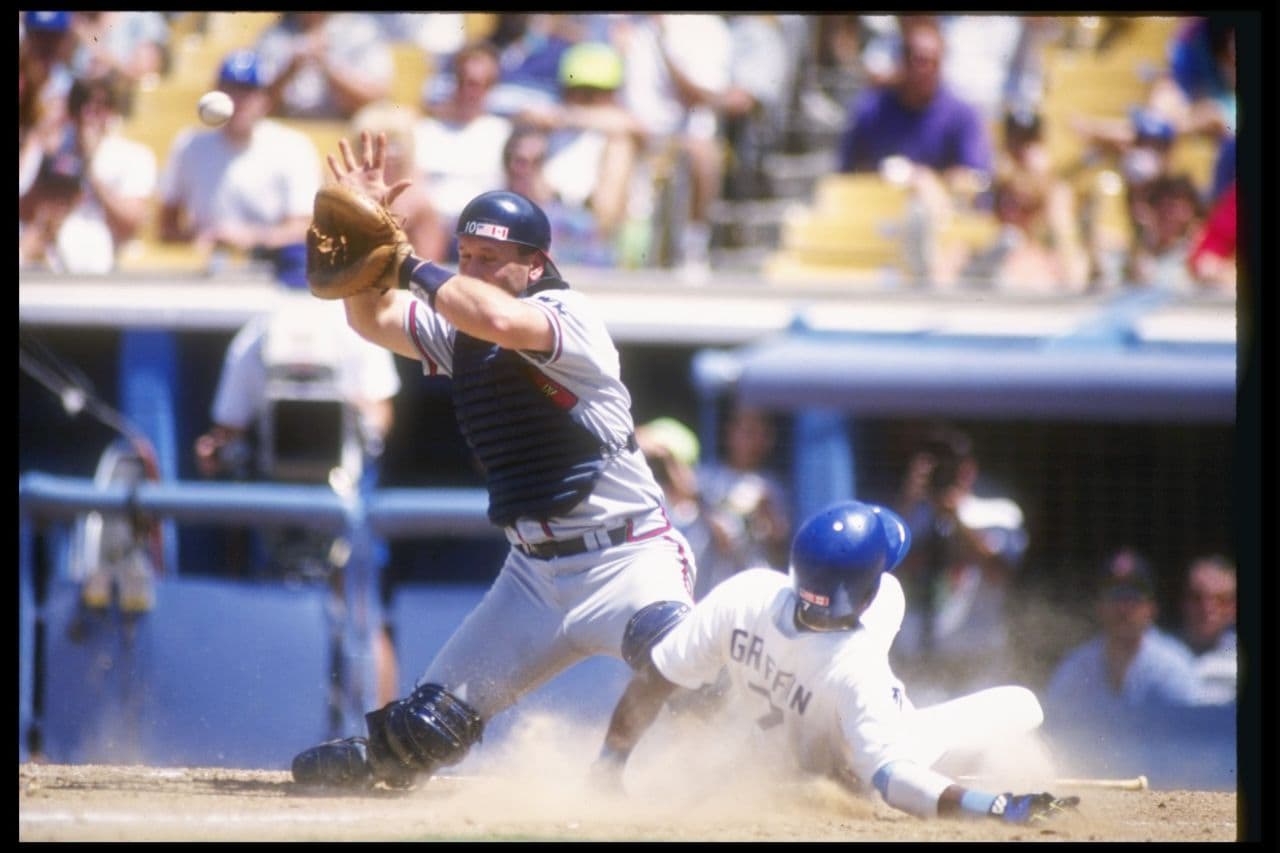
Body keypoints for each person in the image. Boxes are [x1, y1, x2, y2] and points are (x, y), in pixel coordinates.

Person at [288, 131, 698, 789]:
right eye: (466, 254)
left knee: (689, 669)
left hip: (628, 557)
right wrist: (362, 252)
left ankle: (799, 758)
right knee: (420, 736)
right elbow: (376, 318)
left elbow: (499, 322)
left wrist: (409, 264)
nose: (472, 267)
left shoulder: (567, 312)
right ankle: (385, 761)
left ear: (533, 264)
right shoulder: (459, 324)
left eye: (489, 257)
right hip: (533, 576)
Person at [591, 500, 1079, 825]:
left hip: (762, 757)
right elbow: (893, 780)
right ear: (862, 595)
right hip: (849, 772)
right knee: (1023, 705)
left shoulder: (744, 594)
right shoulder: (859, 655)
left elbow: (655, 680)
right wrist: (992, 805)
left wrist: (608, 765)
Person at [193, 296, 403, 710]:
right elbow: (228, 429)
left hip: (343, 490)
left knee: (362, 612)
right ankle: (271, 723)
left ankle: (384, 736)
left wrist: (346, 407)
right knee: (267, 609)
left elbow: (380, 416)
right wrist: (215, 450)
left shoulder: (359, 328)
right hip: (276, 497)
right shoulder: (254, 339)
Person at [891, 425, 1028, 703]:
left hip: (975, 673)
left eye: (952, 464)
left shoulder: (998, 511)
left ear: (970, 468)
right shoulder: (901, 519)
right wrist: (908, 501)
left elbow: (999, 572)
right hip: (914, 672)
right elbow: (874, 570)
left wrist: (956, 518)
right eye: (933, 463)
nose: (944, 471)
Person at [156, 49, 320, 281]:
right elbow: (166, 225)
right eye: (230, 89)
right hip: (203, 271)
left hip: (272, 270)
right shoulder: (189, 144)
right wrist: (201, 239)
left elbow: (305, 228)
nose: (237, 100)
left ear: (264, 98)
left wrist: (248, 238)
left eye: (247, 91)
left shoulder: (292, 146)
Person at [1044, 548, 1203, 723]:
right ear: (1099, 606)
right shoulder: (1077, 666)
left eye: (1133, 596)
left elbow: (1189, 731)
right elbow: (1053, 725)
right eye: (1114, 595)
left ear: (1152, 607)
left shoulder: (1172, 666)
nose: (1123, 609)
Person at [413, 40, 513, 260]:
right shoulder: (424, 130)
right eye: (464, 81)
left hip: (485, 227)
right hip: (431, 226)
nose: (470, 91)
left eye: (480, 83)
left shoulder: (503, 133)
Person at [693, 405, 791, 601]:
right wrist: (708, 514)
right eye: (747, 432)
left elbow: (782, 548)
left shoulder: (771, 487)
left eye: (761, 434)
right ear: (730, 433)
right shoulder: (705, 477)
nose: (754, 441)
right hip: (709, 590)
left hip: (753, 593)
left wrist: (768, 514)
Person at [254, 12, 393, 121]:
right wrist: (291, 69)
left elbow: (376, 99)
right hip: (287, 130)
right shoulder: (274, 34)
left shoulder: (359, 31)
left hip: (343, 131)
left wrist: (326, 65)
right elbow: (256, 103)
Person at [1176, 554, 1237, 705]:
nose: (1207, 608)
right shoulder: (1156, 654)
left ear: (1234, 608)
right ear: (1183, 602)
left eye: (1221, 600)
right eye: (1197, 597)